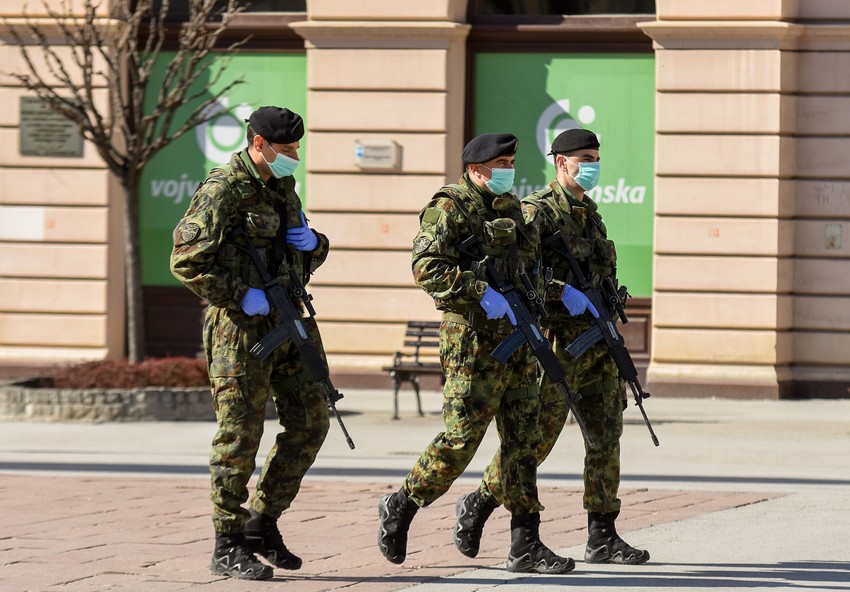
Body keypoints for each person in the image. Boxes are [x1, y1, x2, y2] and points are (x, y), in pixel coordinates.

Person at [377, 133, 589, 574]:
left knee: (523, 443)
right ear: (476, 169)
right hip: (472, 344)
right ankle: (402, 503)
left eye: (511, 162)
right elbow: (425, 266)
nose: (509, 170)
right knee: (461, 441)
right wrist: (479, 291)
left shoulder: (512, 209)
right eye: (501, 164)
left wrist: (554, 293)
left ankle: (525, 543)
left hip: (519, 340)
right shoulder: (450, 206)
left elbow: (529, 270)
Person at [452, 128, 650, 566]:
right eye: (585, 158)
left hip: (598, 341)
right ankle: (481, 501)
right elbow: (521, 272)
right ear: (561, 162)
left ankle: (602, 535)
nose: (593, 165)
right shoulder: (536, 212)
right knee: (536, 441)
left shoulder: (590, 215)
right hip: (558, 344)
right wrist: (562, 292)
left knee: (606, 436)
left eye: (596, 157)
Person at [170, 106, 332, 581]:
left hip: (289, 321)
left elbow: (296, 257)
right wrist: (241, 293)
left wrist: (316, 244)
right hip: (240, 330)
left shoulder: (283, 188)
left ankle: (262, 520)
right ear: (258, 143)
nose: (293, 156)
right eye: (285, 148)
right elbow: (186, 261)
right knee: (240, 435)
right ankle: (227, 542)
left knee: (311, 422)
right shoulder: (222, 190)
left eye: (297, 147)